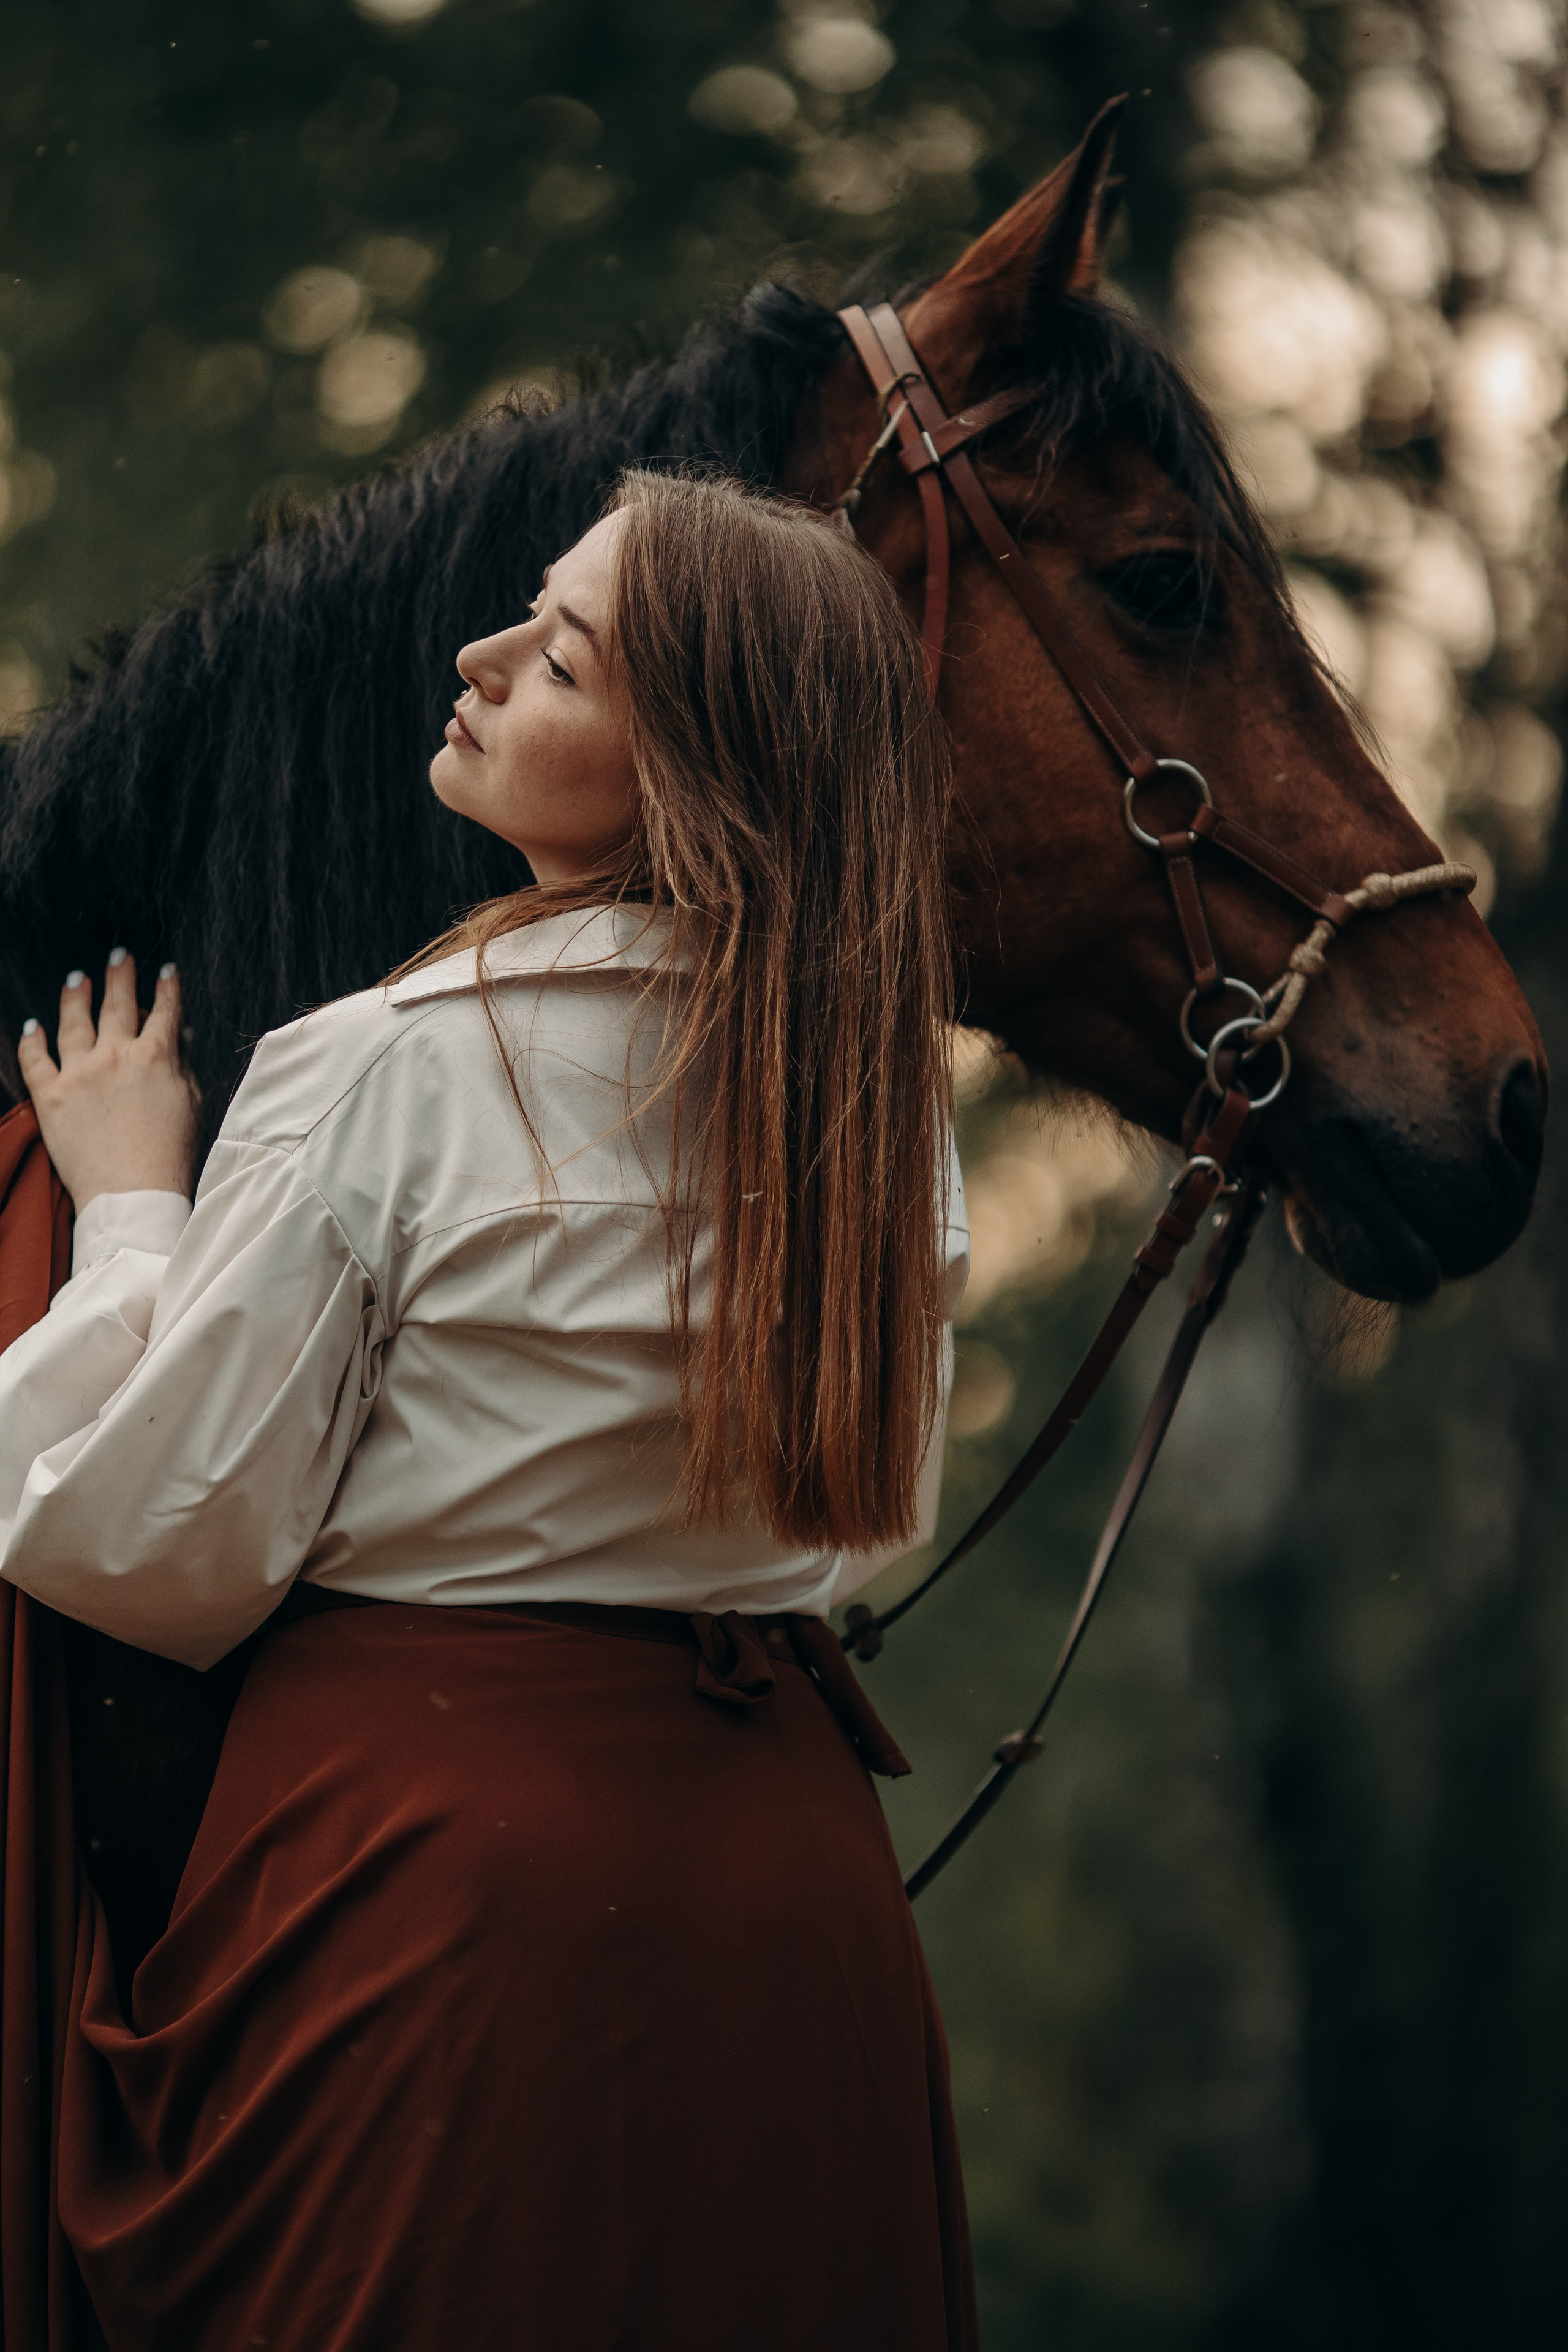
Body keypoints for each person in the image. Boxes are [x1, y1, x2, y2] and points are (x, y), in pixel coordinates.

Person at [0, 469, 975, 2352]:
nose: (480, 656)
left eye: (561, 658)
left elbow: (152, 1548)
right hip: (798, 1900)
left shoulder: (384, 1070)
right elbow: (870, 1522)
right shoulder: (875, 1121)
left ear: (690, 770)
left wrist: (132, 1217)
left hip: (444, 1891)